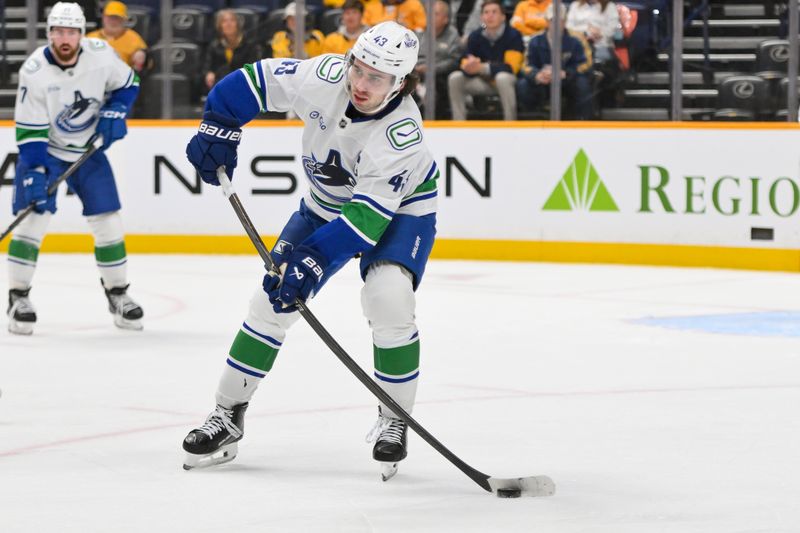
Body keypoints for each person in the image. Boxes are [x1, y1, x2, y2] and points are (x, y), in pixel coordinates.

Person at [182, 21, 438, 481]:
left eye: (376, 78)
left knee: (389, 298)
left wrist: (313, 261)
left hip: (399, 213)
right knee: (269, 302)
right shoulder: (324, 76)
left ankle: (395, 418)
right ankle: (227, 414)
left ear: (400, 83)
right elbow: (254, 81)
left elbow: (364, 223)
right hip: (324, 205)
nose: (361, 84)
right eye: (358, 69)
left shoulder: (402, 134)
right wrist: (219, 125)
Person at [7, 2, 144, 335]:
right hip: (47, 152)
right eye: (58, 32)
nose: (64, 38)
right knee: (32, 221)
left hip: (87, 150)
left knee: (108, 222)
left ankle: (117, 293)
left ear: (81, 34)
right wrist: (35, 170)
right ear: (49, 33)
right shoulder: (34, 71)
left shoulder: (101, 54)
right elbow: (30, 131)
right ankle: (17, 298)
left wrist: (116, 110)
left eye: (71, 32)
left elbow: (129, 83)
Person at [447, 0, 524, 121]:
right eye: (486, 12)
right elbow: (464, 60)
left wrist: (483, 68)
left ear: (503, 17)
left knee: (502, 78)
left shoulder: (513, 35)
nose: (490, 16)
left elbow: (511, 68)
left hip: (506, 82)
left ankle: (510, 122)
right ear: (481, 17)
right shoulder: (475, 36)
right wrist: (469, 65)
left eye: (494, 12)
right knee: (455, 78)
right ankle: (459, 123)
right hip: (482, 81)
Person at [516, 3, 594, 119]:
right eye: (553, 20)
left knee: (582, 84)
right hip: (543, 81)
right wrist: (537, 75)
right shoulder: (535, 40)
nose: (556, 24)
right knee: (523, 85)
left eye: (560, 20)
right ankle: (531, 119)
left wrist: (566, 73)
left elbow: (586, 63)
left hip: (568, 80)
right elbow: (526, 65)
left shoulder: (577, 38)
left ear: (565, 22)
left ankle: (582, 121)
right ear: (547, 21)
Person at [414, 0, 462, 118]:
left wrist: (432, 68)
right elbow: (410, 54)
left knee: (437, 85)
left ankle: (436, 121)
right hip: (416, 73)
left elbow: (454, 61)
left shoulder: (453, 35)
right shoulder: (419, 33)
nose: (430, 17)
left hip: (440, 76)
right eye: (429, 13)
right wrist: (416, 68)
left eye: (436, 14)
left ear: (446, 19)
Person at [203, 9, 264, 93]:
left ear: (238, 25)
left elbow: (254, 69)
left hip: (243, 84)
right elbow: (207, 66)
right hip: (220, 84)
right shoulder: (214, 46)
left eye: (232, 20)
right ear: (220, 27)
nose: (228, 24)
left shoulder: (250, 45)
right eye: (224, 21)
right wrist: (209, 73)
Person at [86, 1, 147, 73]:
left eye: (117, 18)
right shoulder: (89, 38)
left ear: (125, 20)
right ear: (103, 18)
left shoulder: (133, 37)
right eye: (110, 17)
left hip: (122, 77)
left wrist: (143, 56)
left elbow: (149, 64)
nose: (113, 21)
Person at [363, 0, 427, 32]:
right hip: (376, 41)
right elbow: (364, 26)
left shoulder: (414, 4)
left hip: (403, 42)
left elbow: (421, 27)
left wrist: (408, 29)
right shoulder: (373, 4)